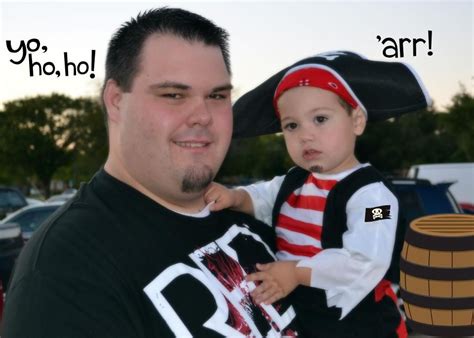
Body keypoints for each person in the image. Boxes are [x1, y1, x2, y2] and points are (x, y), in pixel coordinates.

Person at [2, 8, 300, 337]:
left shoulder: (254, 216)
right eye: (173, 95)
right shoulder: (63, 269)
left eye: (217, 95)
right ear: (116, 100)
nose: (203, 116)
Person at [205, 51, 432, 338]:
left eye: (320, 119)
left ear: (357, 121)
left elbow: (364, 260)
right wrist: (236, 197)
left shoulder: (375, 199)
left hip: (359, 323)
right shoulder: (294, 180)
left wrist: (296, 272)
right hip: (304, 315)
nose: (305, 135)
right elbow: (263, 197)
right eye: (292, 125)